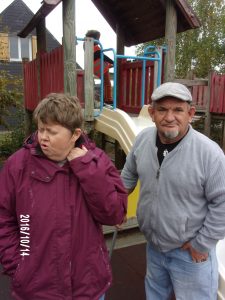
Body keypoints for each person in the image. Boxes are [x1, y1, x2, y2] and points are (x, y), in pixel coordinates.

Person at [0, 93, 127, 300]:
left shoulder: (97, 161)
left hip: (87, 286)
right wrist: (19, 263)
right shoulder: (18, 165)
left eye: (51, 131)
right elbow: (4, 218)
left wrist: (87, 169)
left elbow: (115, 214)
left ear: (75, 134)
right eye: (41, 129)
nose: (43, 137)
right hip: (36, 288)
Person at [121, 82, 225, 300]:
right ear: (151, 113)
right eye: (162, 109)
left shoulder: (209, 154)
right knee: (155, 295)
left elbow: (223, 203)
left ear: (191, 113)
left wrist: (202, 244)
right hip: (154, 247)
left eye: (178, 110)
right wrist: (117, 204)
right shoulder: (142, 141)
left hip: (190, 253)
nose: (169, 117)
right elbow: (128, 177)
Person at [85, 30, 113, 104]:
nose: (98, 40)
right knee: (107, 83)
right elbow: (100, 56)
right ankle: (108, 99)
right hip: (101, 68)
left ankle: (105, 98)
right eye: (98, 38)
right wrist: (113, 61)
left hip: (96, 67)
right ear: (93, 38)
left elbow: (97, 57)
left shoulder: (86, 45)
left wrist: (110, 64)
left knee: (104, 83)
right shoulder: (94, 46)